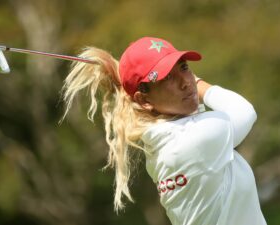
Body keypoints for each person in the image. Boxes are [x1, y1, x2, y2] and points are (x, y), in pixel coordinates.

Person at [61, 37, 267, 225]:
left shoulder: (164, 138)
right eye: (168, 77)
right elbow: (244, 111)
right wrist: (197, 83)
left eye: (184, 67)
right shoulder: (195, 138)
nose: (184, 81)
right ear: (144, 100)